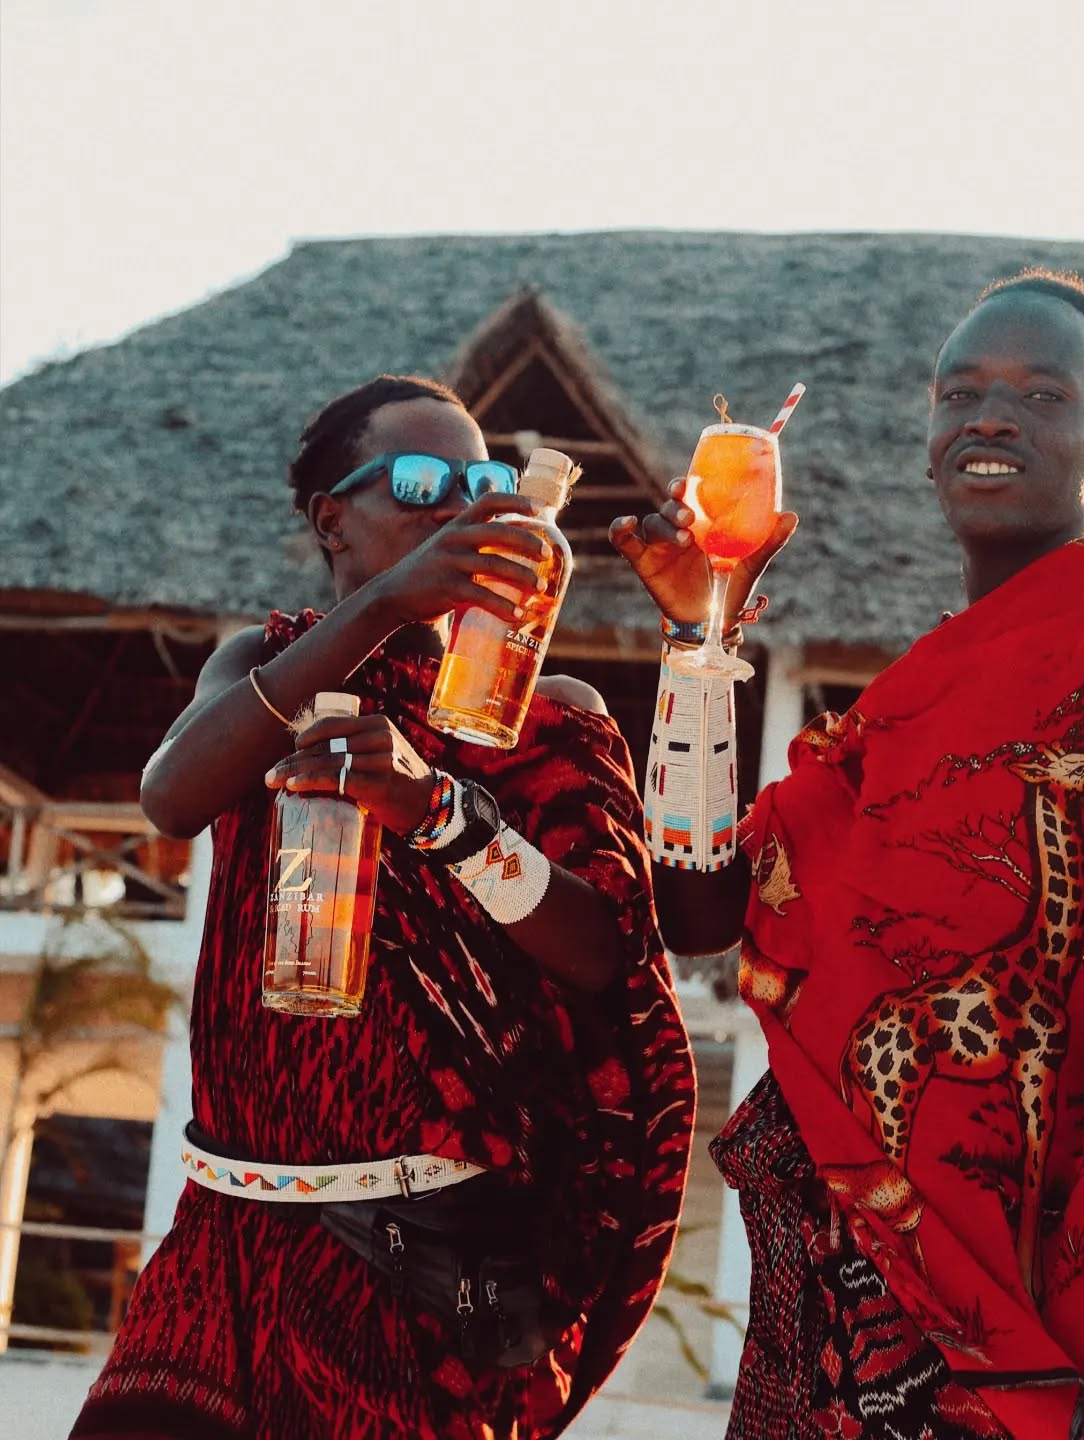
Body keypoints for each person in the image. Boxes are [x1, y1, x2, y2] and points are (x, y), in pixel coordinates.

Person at [610, 271, 1084, 1438]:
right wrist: (700, 640)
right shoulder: (889, 723)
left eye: (1040, 393)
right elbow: (700, 913)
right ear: (930, 443)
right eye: (961, 394)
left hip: (1015, 1303)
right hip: (828, 1276)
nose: (989, 417)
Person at [73, 375, 695, 1440]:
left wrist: (439, 811)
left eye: (484, 483)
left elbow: (607, 952)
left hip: (420, 1261)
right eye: (419, 482)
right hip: (224, 1235)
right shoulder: (260, 668)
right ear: (333, 520)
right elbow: (172, 797)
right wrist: (387, 608)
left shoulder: (557, 720)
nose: (459, 504)